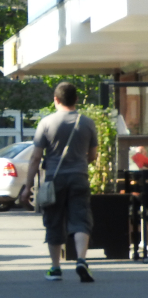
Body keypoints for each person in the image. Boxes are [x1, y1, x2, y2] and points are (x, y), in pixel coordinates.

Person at [20, 81, 99, 283]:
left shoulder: (46, 123)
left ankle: (55, 268)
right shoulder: (87, 123)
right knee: (81, 219)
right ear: (76, 100)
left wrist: (27, 186)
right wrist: (79, 162)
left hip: (54, 179)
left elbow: (36, 158)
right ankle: (81, 260)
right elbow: (93, 155)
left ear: (56, 99)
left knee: (54, 221)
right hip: (79, 176)